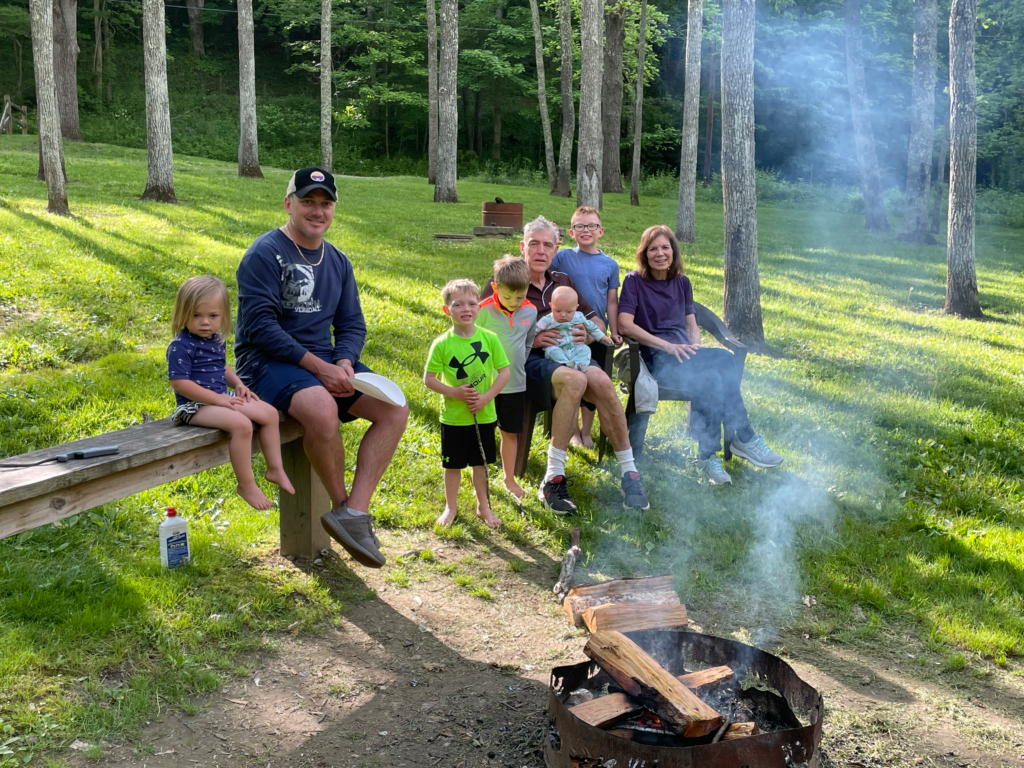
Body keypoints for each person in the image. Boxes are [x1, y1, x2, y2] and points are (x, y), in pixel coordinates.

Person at [234, 167, 408, 568]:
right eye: (307, 201)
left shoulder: (339, 261)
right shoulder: (264, 253)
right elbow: (259, 327)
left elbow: (351, 325)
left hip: (325, 362)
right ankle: (340, 504)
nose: (317, 210)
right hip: (267, 362)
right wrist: (319, 367)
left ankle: (353, 514)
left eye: (325, 203)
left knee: (394, 409)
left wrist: (344, 361)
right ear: (288, 204)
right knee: (320, 408)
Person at [481, 216, 650, 514]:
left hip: (571, 356)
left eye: (548, 244)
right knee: (576, 380)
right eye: (534, 243)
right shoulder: (506, 284)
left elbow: (593, 319)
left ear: (557, 248)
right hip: (526, 364)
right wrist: (530, 341)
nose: (541, 250)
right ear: (523, 246)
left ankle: (629, 472)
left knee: (601, 382)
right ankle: (552, 478)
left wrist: (587, 332)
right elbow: (482, 336)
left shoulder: (563, 282)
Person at [617, 225, 783, 485]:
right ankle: (742, 437)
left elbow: (692, 325)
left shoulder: (682, 282)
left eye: (665, 247)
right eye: (653, 249)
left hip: (684, 357)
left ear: (673, 250)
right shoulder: (633, 281)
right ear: (644, 253)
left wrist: (694, 347)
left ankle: (708, 456)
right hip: (654, 358)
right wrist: (667, 346)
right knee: (725, 361)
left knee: (713, 379)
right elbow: (625, 325)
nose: (660, 253)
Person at [167, 275, 295, 510]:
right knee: (242, 424)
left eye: (213, 316)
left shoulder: (215, 340)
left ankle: (275, 469)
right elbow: (180, 383)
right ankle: (246, 484)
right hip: (194, 407)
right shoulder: (181, 346)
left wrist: (237, 384)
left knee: (269, 414)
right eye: (196, 315)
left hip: (219, 399)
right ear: (182, 313)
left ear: (223, 316)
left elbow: (220, 367)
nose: (205, 322)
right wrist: (217, 399)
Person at [424, 280, 510, 528]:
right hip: (453, 418)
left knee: (480, 464)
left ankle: (484, 506)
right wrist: (455, 393)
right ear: (446, 310)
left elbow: (504, 373)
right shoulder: (442, 344)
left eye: (472, 303)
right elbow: (429, 380)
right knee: (452, 465)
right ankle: (450, 507)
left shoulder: (490, 339)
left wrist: (486, 398)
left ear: (479, 307)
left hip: (484, 415)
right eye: (458, 304)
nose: (466, 309)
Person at [552, 206, 622, 448]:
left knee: (595, 380)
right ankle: (571, 429)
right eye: (579, 226)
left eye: (591, 225)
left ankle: (586, 430)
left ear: (600, 231)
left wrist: (613, 331)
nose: (586, 230)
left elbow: (612, 301)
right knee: (573, 378)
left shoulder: (610, 264)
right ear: (572, 232)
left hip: (595, 330)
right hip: (568, 330)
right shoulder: (563, 258)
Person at [476, 255, 537, 501]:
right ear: (495, 287)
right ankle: (481, 479)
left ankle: (508, 478)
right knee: (483, 433)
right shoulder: (482, 311)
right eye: (507, 296)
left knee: (510, 432)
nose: (514, 302)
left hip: (515, 385)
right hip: (486, 387)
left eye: (520, 297)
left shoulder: (531, 312)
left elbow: (529, 342)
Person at [530, 286, 613, 372]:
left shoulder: (579, 316)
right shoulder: (547, 320)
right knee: (551, 351)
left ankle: (579, 364)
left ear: (576, 307)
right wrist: (530, 340)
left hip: (575, 346)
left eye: (569, 312)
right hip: (557, 346)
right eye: (558, 311)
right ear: (551, 306)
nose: (563, 315)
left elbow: (592, 327)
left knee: (586, 349)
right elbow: (535, 330)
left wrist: (602, 337)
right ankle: (566, 364)